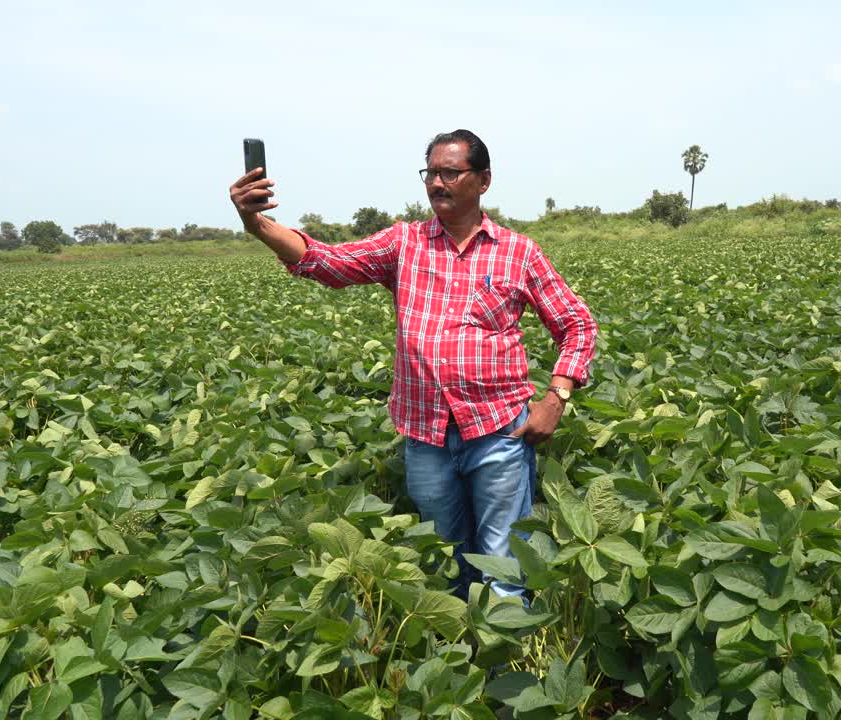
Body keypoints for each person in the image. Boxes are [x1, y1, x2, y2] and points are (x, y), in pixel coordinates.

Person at [228, 129, 597, 599]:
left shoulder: (518, 252)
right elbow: (328, 262)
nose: (437, 183)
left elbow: (577, 323)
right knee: (443, 556)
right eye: (431, 173)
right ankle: (454, 652)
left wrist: (556, 399)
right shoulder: (405, 243)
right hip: (426, 435)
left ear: (482, 181)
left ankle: (507, 658)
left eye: (450, 172)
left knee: (502, 564)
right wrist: (255, 223)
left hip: (500, 430)